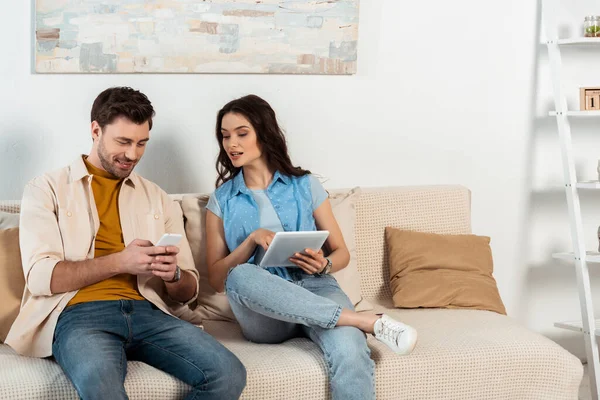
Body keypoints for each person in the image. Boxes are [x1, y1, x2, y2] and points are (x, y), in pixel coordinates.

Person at [5, 87, 246, 400]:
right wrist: (121, 261)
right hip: (79, 315)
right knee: (101, 388)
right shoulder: (46, 189)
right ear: (95, 130)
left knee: (228, 374)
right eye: (123, 141)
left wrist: (173, 276)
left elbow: (189, 292)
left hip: (150, 311)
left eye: (141, 143)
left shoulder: (158, 198)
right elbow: (40, 277)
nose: (133, 154)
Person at [205, 94, 417, 400]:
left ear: (264, 134)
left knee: (351, 350)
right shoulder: (221, 200)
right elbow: (216, 279)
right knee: (240, 275)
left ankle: (349, 323)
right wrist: (251, 241)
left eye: (241, 133)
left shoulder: (304, 185)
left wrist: (324, 264)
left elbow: (341, 252)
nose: (231, 144)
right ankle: (365, 321)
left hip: (314, 286)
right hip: (265, 311)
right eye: (225, 136)